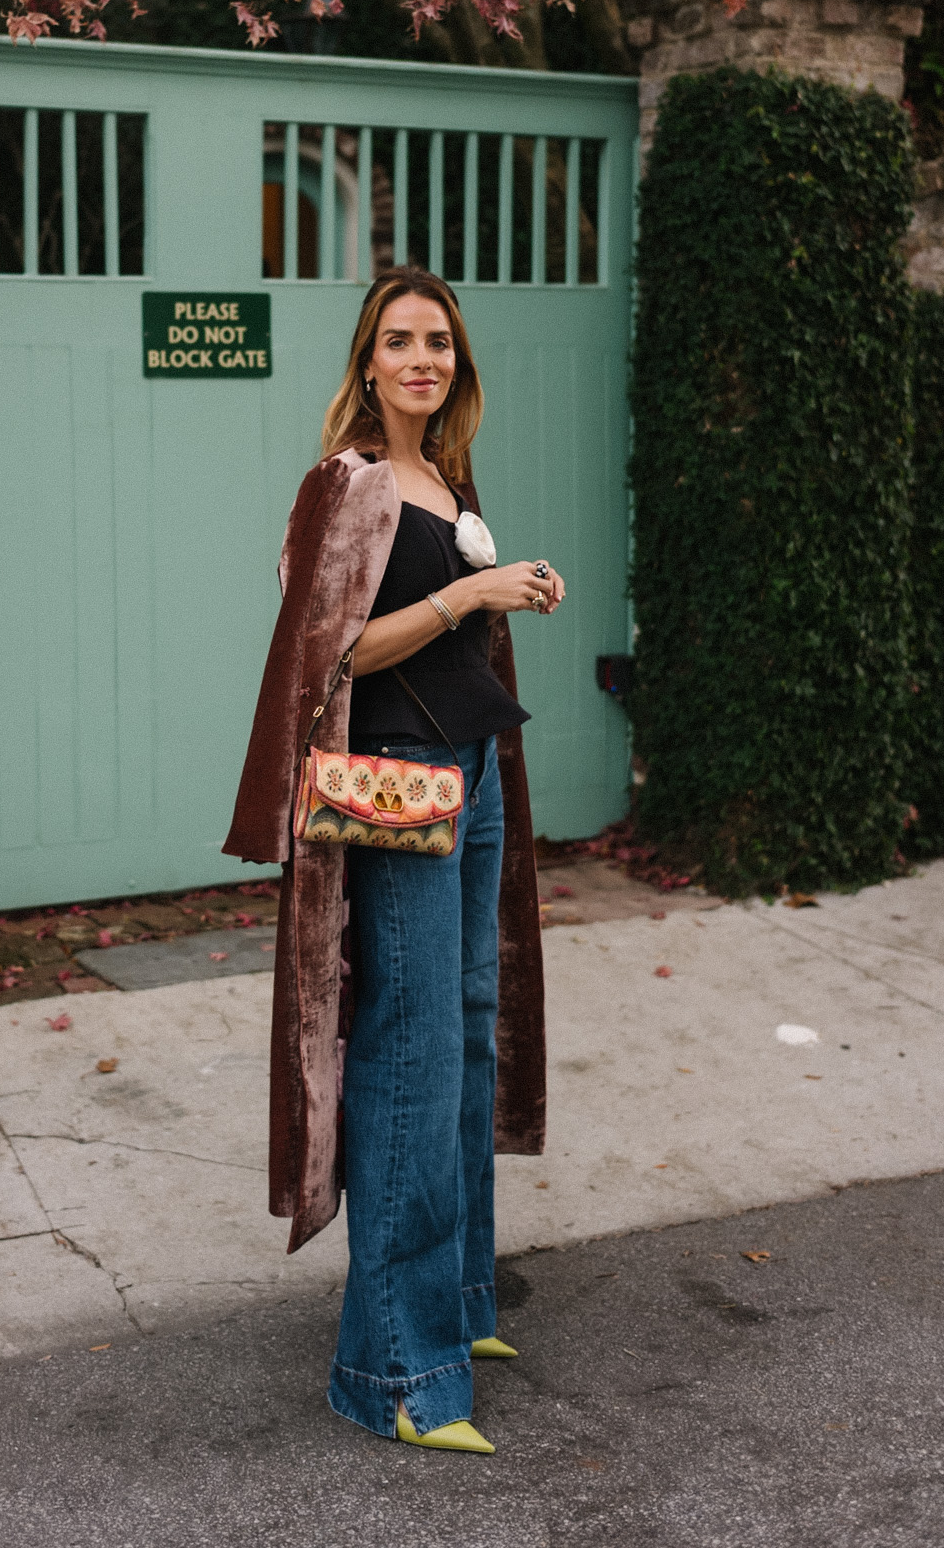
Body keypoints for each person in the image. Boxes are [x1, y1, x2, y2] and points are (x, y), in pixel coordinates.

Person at [224, 265, 562, 1453]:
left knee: (466, 1032)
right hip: (398, 790)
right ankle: (392, 1369)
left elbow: (446, 630)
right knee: (410, 1054)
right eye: (399, 340)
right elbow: (335, 653)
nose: (422, 358)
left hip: (470, 783)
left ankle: (456, 1303)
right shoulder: (350, 483)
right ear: (367, 361)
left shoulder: (444, 478)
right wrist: (472, 584)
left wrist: (502, 591)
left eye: (440, 343)